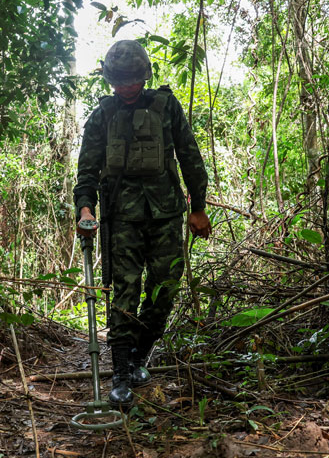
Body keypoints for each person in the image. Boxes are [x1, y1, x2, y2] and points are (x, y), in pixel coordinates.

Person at [73, 40, 212, 406]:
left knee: (165, 288)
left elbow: (189, 154)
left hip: (166, 212)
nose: (127, 87)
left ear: (145, 76)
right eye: (120, 81)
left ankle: (139, 356)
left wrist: (198, 206)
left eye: (133, 80)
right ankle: (120, 373)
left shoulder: (166, 106)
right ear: (110, 81)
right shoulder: (102, 115)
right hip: (122, 217)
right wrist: (85, 209)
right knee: (126, 291)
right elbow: (86, 171)